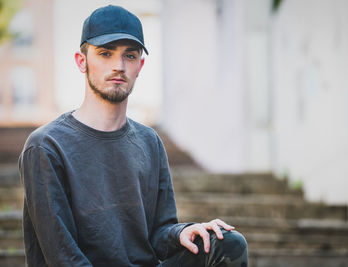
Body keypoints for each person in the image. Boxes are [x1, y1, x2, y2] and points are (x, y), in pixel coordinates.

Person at [19, 5, 248, 267]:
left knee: (227, 242)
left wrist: (181, 232)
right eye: (105, 54)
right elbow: (62, 257)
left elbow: (160, 233)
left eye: (129, 55)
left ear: (140, 65)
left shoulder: (149, 142)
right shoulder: (46, 146)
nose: (118, 66)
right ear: (81, 61)